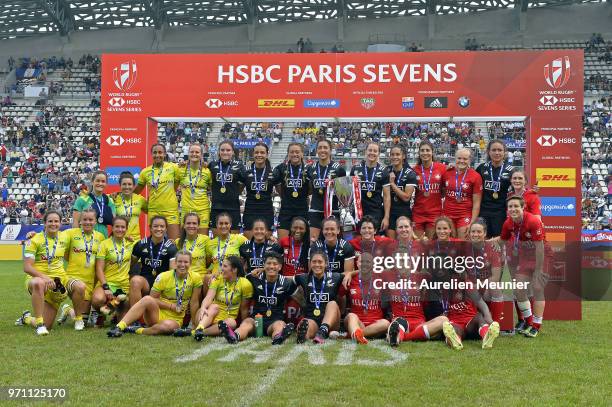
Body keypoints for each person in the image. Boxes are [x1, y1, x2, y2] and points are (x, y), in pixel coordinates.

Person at [107, 251, 202, 337]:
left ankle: (138, 330)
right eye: (180, 262)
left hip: (175, 319)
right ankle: (119, 327)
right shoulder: (163, 277)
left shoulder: (195, 278)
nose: (182, 265)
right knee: (147, 299)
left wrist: (194, 324)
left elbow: (194, 302)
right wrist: (171, 306)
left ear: (190, 263)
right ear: (175, 262)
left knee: (166, 328)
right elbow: (152, 299)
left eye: (186, 262)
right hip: (156, 314)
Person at [386, 216, 449, 346]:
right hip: (400, 318)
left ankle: (404, 337)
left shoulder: (423, 274)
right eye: (400, 227)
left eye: (406, 226)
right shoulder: (388, 271)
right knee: (398, 323)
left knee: (443, 320)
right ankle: (398, 334)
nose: (403, 229)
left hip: (420, 320)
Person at [499, 196, 551, 338]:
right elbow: (501, 241)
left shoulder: (533, 220)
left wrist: (538, 271)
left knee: (538, 288)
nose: (513, 209)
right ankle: (529, 322)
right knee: (519, 289)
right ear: (507, 209)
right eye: (510, 207)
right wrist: (484, 244)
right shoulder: (508, 223)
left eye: (516, 206)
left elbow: (539, 247)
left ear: (523, 207)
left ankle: (536, 325)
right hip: (525, 257)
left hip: (542, 256)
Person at [220, 252, 297, 344]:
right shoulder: (254, 278)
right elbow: (237, 277)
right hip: (256, 320)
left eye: (275, 264)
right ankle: (234, 336)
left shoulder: (286, 282)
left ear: (280, 267)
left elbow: (299, 279)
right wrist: (218, 275)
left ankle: (278, 338)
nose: (271, 266)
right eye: (268, 263)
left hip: (274, 322)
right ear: (264, 265)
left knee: (280, 325)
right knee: (247, 322)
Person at [16, 211, 69, 335]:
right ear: (44, 223)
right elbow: (27, 267)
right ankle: (39, 324)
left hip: (56, 284)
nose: (53, 224)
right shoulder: (33, 239)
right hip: (37, 279)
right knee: (39, 282)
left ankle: (27, 318)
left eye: (56, 221)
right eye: (50, 221)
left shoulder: (65, 237)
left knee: (48, 325)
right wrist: (44, 277)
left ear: (60, 223)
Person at [58, 208, 105, 330]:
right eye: (85, 219)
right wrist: (35, 234)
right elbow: (56, 238)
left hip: (90, 281)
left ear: (95, 222)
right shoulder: (71, 233)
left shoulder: (100, 237)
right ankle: (75, 314)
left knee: (85, 321)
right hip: (73, 278)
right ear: (80, 221)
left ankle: (68, 310)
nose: (87, 222)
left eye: (91, 219)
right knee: (79, 288)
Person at [193, 256, 253, 341]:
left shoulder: (245, 284)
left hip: (225, 321)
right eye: (222, 266)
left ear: (235, 269)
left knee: (232, 323)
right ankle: (199, 328)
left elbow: (244, 309)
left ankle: (200, 332)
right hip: (208, 316)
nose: (221, 269)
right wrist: (203, 307)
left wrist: (243, 326)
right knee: (214, 306)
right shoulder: (218, 279)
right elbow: (208, 298)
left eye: (225, 266)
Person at [441, 269, 500, 350]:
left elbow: (480, 302)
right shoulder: (445, 287)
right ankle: (456, 341)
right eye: (456, 274)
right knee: (451, 328)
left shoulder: (468, 284)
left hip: (470, 322)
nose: (458, 276)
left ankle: (487, 336)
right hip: (455, 322)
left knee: (479, 317)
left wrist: (488, 318)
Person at [294, 250, 343, 344]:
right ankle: (304, 335)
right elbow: (282, 279)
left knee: (332, 303)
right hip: (313, 320)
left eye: (320, 262)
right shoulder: (304, 278)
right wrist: (264, 270)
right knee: (306, 323)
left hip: (332, 322)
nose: (317, 265)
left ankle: (323, 331)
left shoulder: (335, 277)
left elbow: (357, 273)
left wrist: (350, 273)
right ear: (310, 263)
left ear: (326, 264)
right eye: (314, 262)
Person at [130, 216, 178, 309]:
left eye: (162, 226)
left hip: (162, 285)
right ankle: (135, 320)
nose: (159, 229)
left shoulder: (171, 247)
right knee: (135, 281)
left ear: (166, 228)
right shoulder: (141, 244)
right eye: (155, 226)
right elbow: (129, 265)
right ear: (150, 228)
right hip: (146, 283)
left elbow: (172, 273)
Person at [92, 216, 134, 323]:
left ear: (126, 229)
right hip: (108, 282)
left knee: (122, 322)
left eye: (123, 227)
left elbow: (134, 262)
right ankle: (101, 314)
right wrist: (106, 287)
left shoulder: (130, 244)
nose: (120, 230)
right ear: (113, 228)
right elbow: (99, 269)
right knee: (98, 299)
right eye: (117, 227)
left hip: (124, 285)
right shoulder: (104, 244)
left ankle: (114, 311)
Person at [135, 144, 181, 240]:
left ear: (164, 154)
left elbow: (175, 186)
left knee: (174, 243)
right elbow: (136, 192)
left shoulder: (173, 168)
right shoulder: (145, 172)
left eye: (160, 152)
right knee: (155, 244)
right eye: (155, 152)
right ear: (151, 154)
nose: (157, 155)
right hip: (154, 211)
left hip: (171, 211)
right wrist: (119, 194)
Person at [306, 139, 346, 241]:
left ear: (330, 150)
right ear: (316, 150)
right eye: (320, 148)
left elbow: (343, 194)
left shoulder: (339, 169)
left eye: (325, 148)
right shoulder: (310, 169)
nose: (322, 150)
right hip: (315, 210)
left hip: (333, 211)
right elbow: (308, 190)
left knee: (332, 241)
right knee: (314, 241)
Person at [476, 140, 514, 237]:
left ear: (504, 152)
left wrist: (533, 191)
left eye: (500, 150)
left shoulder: (511, 170)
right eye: (494, 150)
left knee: (498, 242)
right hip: (483, 211)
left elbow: (519, 188)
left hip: (500, 212)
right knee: (483, 240)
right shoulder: (481, 168)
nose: (497, 153)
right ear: (489, 152)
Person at [442, 148, 482, 239]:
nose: (461, 161)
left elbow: (476, 203)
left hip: (464, 216)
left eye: (465, 159)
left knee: (462, 245)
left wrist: (472, 222)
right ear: (455, 158)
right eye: (459, 158)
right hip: (447, 214)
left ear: (470, 160)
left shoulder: (475, 176)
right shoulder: (447, 172)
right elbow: (442, 192)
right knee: (449, 245)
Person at [350, 142, 391, 232]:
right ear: (365, 152)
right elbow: (349, 192)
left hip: (376, 212)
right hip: (358, 211)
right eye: (370, 150)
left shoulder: (384, 171)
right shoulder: (355, 169)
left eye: (375, 151)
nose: (372, 153)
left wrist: (386, 217)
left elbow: (387, 197)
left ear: (378, 154)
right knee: (358, 239)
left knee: (374, 241)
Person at [272, 143, 310, 239]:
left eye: (297, 152)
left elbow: (311, 189)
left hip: (302, 211)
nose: (294, 154)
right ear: (288, 154)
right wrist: (285, 196)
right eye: (291, 152)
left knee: (302, 243)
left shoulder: (308, 169)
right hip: (286, 211)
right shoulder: (281, 168)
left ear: (302, 154)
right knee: (283, 243)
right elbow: (277, 185)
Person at [208, 140, 246, 234]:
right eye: (222, 150)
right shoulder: (212, 165)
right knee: (217, 240)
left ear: (233, 152)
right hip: (216, 207)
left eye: (228, 150)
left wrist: (234, 193)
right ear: (219, 151)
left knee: (233, 241)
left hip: (233, 207)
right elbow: (208, 182)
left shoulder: (239, 166)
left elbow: (242, 184)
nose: (225, 152)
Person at [412, 140, 446, 239]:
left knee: (431, 244)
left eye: (427, 150)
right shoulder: (414, 170)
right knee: (418, 244)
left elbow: (444, 190)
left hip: (434, 213)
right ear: (419, 153)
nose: (425, 152)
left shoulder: (442, 168)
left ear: (432, 152)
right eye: (422, 150)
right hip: (418, 213)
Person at [242, 143, 275, 238]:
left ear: (267, 154)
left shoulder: (273, 173)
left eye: (262, 152)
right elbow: (238, 191)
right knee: (249, 243)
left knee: (265, 245)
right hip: (250, 211)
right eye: (256, 152)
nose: (259, 155)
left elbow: (281, 192)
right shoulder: (245, 172)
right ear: (253, 154)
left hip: (267, 211)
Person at [178, 143, 212, 235]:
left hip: (203, 211)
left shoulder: (207, 171)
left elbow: (213, 189)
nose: (194, 154)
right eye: (192, 152)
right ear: (188, 153)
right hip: (186, 210)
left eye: (197, 152)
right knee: (183, 242)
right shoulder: (180, 170)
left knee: (202, 241)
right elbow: (173, 188)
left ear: (201, 155)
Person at [385, 145, 417, 239]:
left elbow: (406, 197)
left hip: (404, 212)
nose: (395, 157)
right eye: (392, 154)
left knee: (405, 243)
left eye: (398, 154)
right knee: (391, 244)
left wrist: (392, 184)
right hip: (390, 212)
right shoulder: (386, 171)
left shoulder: (410, 173)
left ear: (403, 156)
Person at [73, 171, 116, 238]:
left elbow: (114, 221)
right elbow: (75, 223)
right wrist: (76, 239)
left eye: (103, 181)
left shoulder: (109, 200)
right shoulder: (82, 199)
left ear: (106, 184)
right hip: (85, 241)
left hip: (103, 239)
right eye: (97, 181)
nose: (100, 183)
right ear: (92, 182)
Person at [205, 212, 249, 276]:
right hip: (216, 279)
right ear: (216, 225)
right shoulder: (210, 243)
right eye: (220, 223)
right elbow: (207, 264)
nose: (223, 226)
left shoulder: (239, 239)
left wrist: (244, 267)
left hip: (234, 278)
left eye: (226, 223)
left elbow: (251, 251)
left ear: (230, 225)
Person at [175, 212, 210, 288]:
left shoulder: (205, 239)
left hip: (201, 278)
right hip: (184, 277)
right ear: (184, 225)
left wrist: (209, 270)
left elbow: (209, 260)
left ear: (198, 226)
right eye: (188, 223)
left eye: (194, 223)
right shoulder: (178, 242)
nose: (191, 226)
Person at [113, 172, 147, 245]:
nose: (127, 187)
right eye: (124, 184)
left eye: (129, 184)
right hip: (119, 239)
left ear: (134, 185)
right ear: (120, 185)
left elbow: (151, 211)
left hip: (136, 240)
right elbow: (98, 198)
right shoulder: (114, 198)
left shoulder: (140, 199)